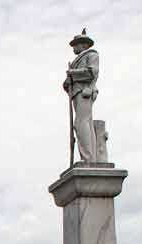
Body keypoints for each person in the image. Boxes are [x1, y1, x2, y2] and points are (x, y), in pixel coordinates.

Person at [63, 29, 99, 164]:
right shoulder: (78, 59)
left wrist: (73, 73)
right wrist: (68, 82)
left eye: (76, 44)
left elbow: (91, 73)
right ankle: (90, 158)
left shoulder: (92, 55)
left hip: (85, 91)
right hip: (77, 93)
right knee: (85, 123)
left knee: (81, 123)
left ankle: (88, 159)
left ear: (83, 45)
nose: (74, 47)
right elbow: (71, 81)